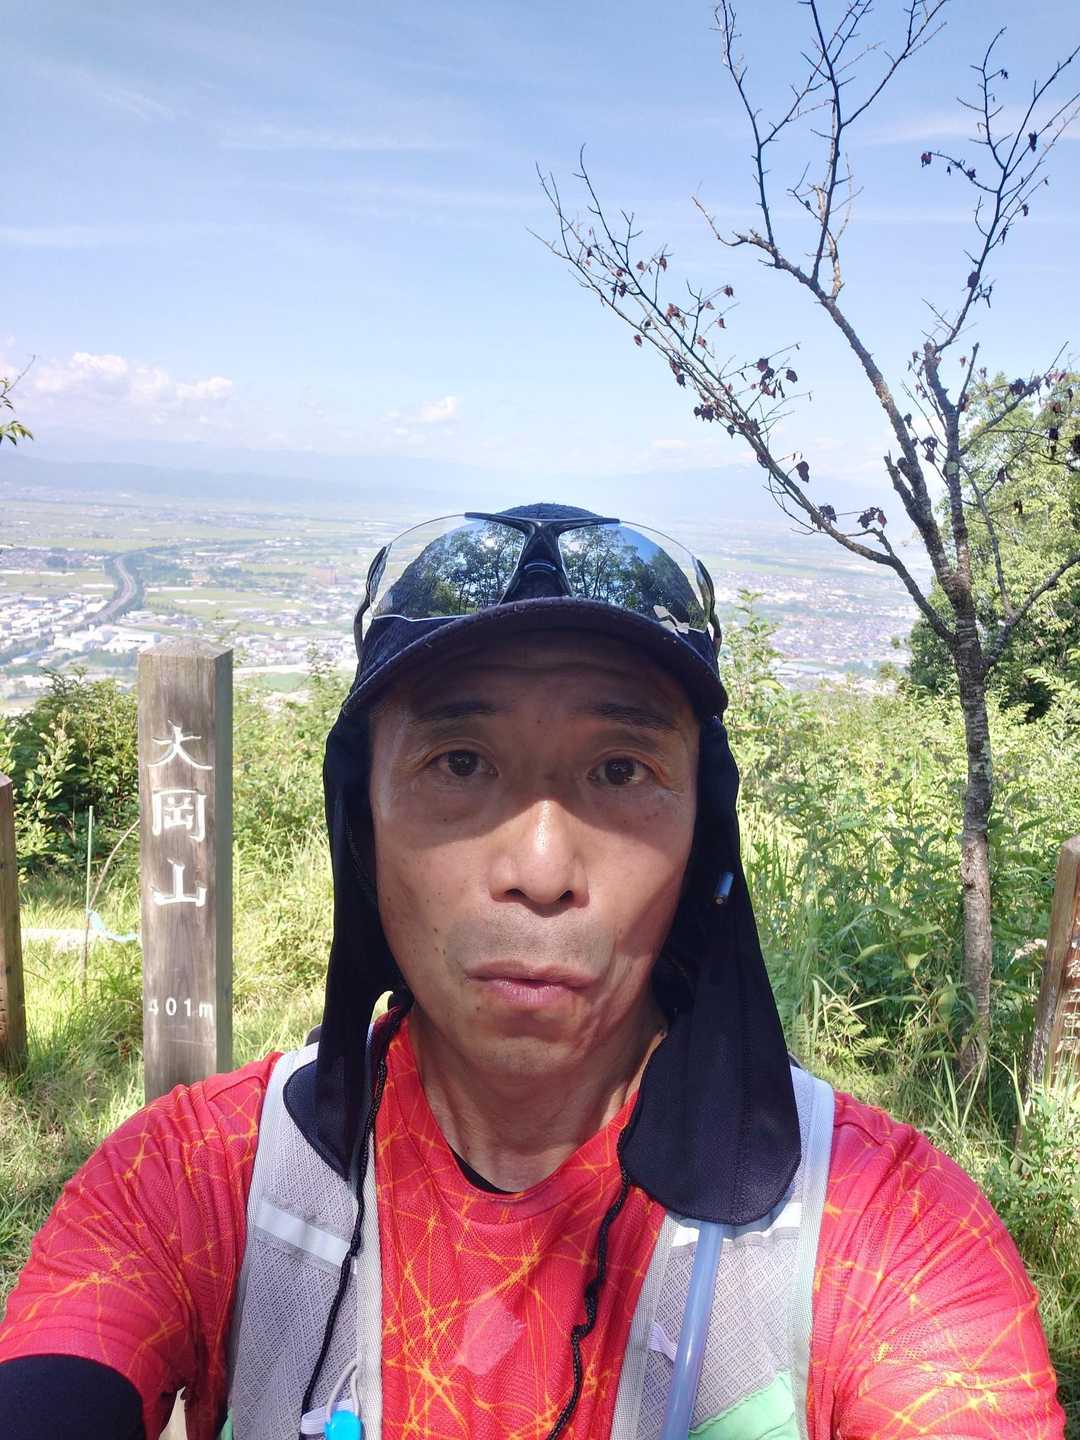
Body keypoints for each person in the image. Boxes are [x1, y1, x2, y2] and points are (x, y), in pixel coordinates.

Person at [0, 503, 1064, 1440]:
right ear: (362, 824)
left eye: (621, 770)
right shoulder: (197, 1179)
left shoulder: (887, 1229)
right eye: (460, 763)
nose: (542, 870)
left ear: (702, 832)